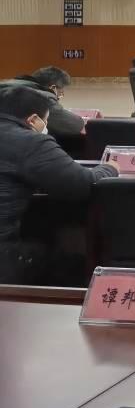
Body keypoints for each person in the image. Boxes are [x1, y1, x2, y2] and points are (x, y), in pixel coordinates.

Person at [0, 85, 119, 283]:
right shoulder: (30, 142)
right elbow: (83, 184)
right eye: (46, 120)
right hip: (5, 257)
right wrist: (110, 168)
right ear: (33, 120)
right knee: (75, 265)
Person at [1, 66, 84, 138]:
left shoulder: (9, 85)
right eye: (60, 93)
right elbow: (73, 125)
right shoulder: (42, 96)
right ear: (53, 88)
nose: (59, 97)